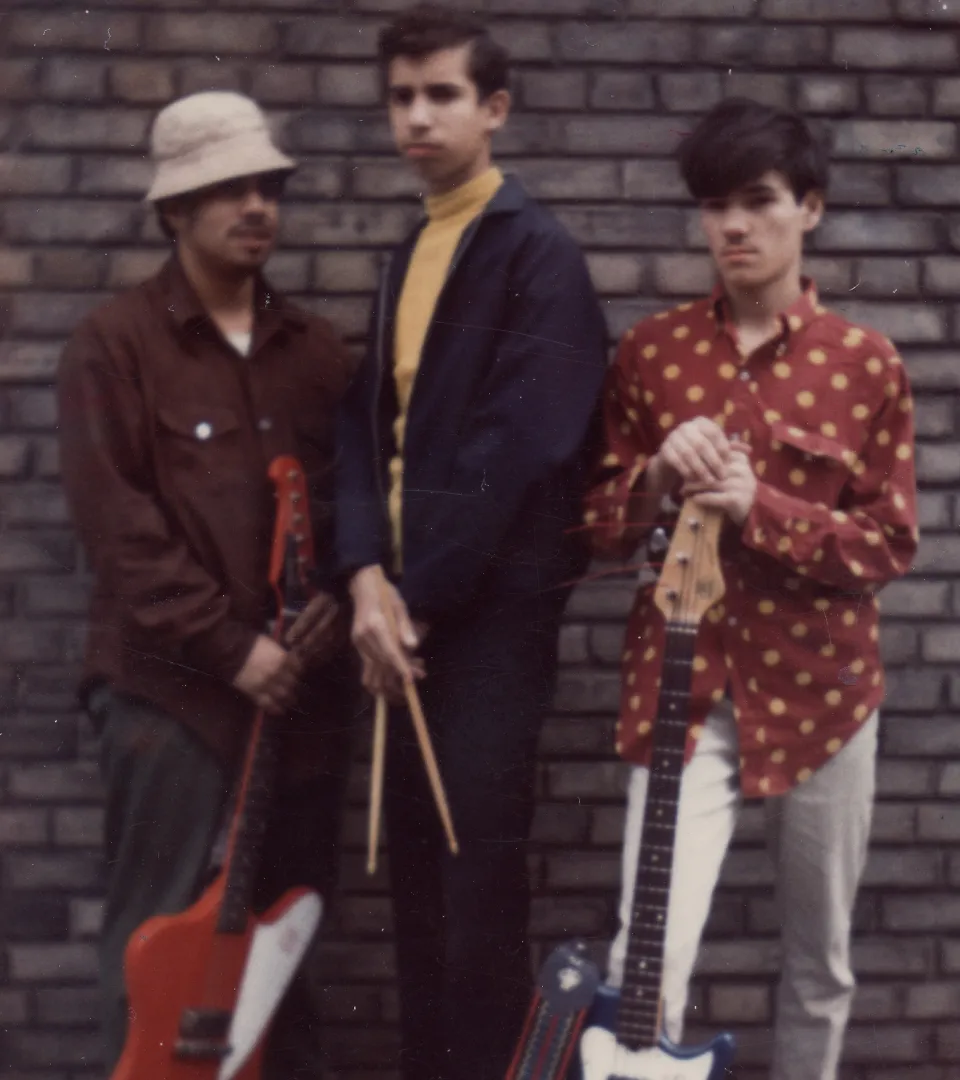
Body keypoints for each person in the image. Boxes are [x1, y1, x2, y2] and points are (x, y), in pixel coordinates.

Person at [586, 98, 918, 1080]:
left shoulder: (866, 363)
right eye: (714, 205)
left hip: (824, 697)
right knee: (649, 957)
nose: (733, 225)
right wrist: (650, 479)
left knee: (819, 965)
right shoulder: (651, 354)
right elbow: (597, 531)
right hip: (682, 694)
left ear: (808, 209)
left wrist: (759, 505)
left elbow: (887, 545)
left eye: (759, 201)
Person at [57, 91, 357, 1079]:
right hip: (169, 702)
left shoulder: (317, 355)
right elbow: (121, 532)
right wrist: (232, 650)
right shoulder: (115, 345)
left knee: (287, 960)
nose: (254, 206)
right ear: (172, 211)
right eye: (224, 189)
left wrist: (328, 616)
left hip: (300, 712)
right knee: (154, 952)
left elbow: (356, 518)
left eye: (265, 185)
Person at [334, 6, 608, 1078]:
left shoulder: (537, 254)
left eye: (441, 94)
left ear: (494, 109)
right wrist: (363, 581)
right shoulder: (409, 251)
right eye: (401, 96)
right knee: (412, 878)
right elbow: (365, 435)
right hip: (399, 615)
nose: (417, 115)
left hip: (484, 621)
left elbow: (518, 454)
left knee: (474, 879)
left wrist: (416, 599)